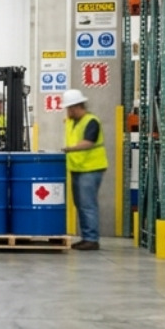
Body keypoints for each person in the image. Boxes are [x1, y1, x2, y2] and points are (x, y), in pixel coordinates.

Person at [62, 89, 107, 251]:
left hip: (91, 168)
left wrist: (69, 149)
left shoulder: (91, 121)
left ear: (76, 107)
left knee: (88, 204)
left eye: (69, 108)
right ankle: (86, 237)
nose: (67, 111)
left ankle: (91, 239)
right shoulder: (71, 122)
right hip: (77, 168)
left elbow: (89, 142)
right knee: (80, 204)